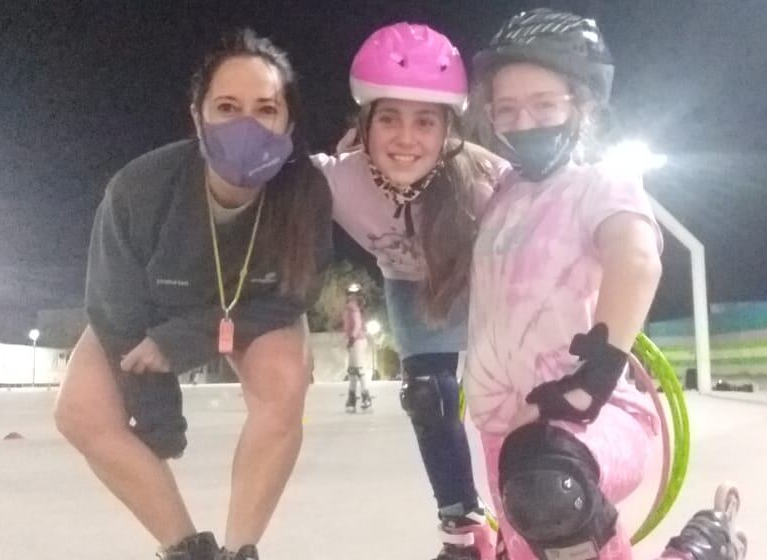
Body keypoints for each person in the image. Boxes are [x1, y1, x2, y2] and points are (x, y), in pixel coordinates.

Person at [464, 9, 743, 560]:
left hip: (588, 417)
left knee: (548, 487)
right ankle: (704, 547)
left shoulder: (601, 184)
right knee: (542, 508)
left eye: (544, 105)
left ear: (582, 105)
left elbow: (635, 259)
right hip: (506, 429)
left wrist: (589, 381)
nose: (525, 123)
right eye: (508, 109)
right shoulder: (500, 194)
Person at [53, 29, 332, 560]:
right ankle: (186, 547)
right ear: (197, 116)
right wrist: (155, 404)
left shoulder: (305, 192)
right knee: (80, 410)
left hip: (251, 312)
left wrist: (185, 341)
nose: (247, 124)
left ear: (288, 123)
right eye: (227, 107)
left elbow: (298, 291)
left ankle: (240, 547)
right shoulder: (140, 187)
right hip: (142, 316)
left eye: (265, 109)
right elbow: (112, 306)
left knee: (285, 383)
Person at [312, 22, 504, 560]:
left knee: (507, 400)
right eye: (389, 118)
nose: (405, 138)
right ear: (364, 124)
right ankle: (463, 531)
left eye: (425, 121)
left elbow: (565, 217)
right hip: (408, 286)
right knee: (428, 396)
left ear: (448, 130)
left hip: (485, 287)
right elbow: (252, 184)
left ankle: (526, 518)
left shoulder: (489, 180)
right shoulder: (333, 179)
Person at [342, 284, 373, 412]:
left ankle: (364, 396)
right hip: (357, 340)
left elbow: (357, 325)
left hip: (357, 340)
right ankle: (352, 397)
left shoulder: (352, 308)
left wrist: (352, 338)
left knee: (358, 369)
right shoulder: (355, 307)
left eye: (353, 294)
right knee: (353, 370)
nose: (351, 296)